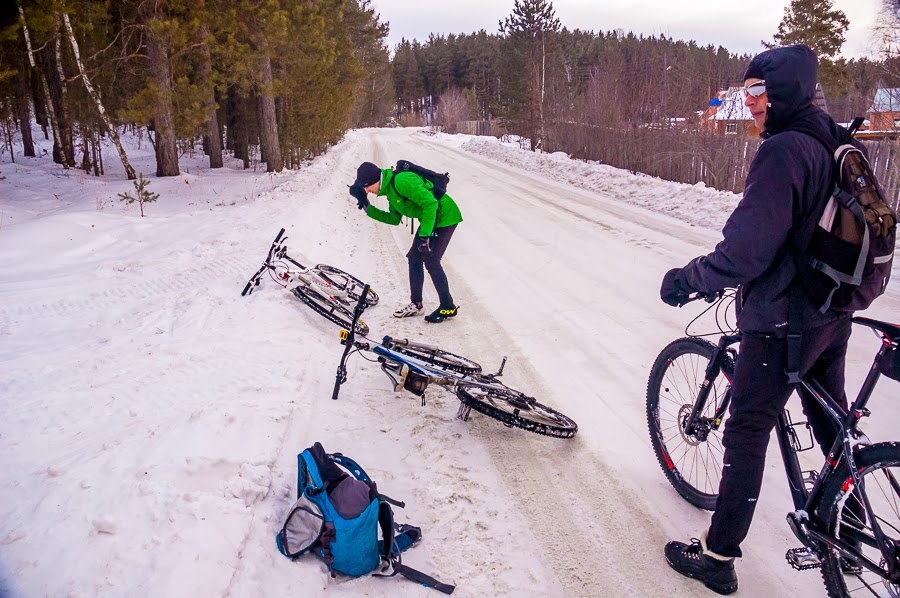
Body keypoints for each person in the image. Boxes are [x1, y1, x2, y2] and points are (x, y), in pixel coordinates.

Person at [659, 44, 859, 595]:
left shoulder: (784, 151)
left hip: (783, 321)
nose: (748, 103)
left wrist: (687, 279)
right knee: (831, 423)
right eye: (745, 91)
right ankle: (854, 519)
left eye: (756, 91)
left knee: (747, 433)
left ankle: (717, 557)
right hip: (830, 312)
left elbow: (746, 250)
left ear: (783, 91)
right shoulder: (833, 138)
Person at [349, 161, 463, 323]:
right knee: (414, 258)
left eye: (367, 187)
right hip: (430, 219)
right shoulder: (389, 191)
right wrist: (367, 207)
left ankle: (447, 306)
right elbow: (394, 219)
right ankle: (416, 304)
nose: (367, 191)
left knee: (431, 260)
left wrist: (424, 236)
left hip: (444, 216)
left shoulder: (402, 181)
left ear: (376, 180)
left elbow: (431, 203)